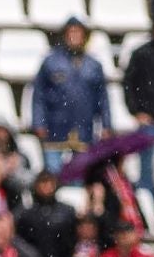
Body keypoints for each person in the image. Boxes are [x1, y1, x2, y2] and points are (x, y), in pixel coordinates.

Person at [30, 17, 110, 171]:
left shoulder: (93, 65)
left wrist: (106, 125)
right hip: (55, 127)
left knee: (80, 174)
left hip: (83, 128)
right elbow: (39, 95)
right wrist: (39, 122)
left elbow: (102, 98)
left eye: (78, 33)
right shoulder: (51, 62)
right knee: (54, 174)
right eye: (71, 32)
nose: (74, 36)